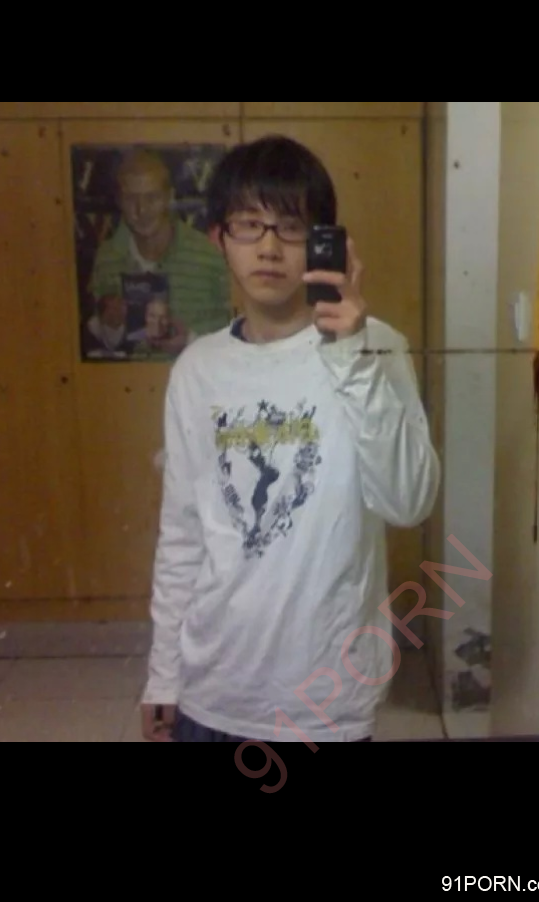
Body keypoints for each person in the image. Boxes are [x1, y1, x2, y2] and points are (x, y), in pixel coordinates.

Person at [140, 135, 441, 744]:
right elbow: (183, 533)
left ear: (325, 240)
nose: (270, 247)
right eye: (249, 225)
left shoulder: (376, 345)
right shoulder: (198, 369)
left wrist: (352, 355)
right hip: (211, 687)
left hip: (326, 696)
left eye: (291, 226)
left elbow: (409, 501)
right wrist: (162, 676)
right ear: (220, 237)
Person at [88, 148, 231, 356]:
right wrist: (111, 327)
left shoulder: (209, 256)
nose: (142, 210)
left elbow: (236, 334)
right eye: (131, 199)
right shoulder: (106, 258)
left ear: (169, 197)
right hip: (126, 377)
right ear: (119, 201)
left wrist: (189, 342)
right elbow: (101, 345)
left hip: (199, 374)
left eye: (152, 197)